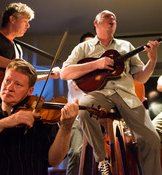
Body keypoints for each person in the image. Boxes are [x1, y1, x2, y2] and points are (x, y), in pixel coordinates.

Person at [60, 10, 161, 175]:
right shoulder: (83, 48)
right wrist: (97, 64)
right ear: (96, 23)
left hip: (126, 96)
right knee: (84, 111)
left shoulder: (126, 46)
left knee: (152, 139)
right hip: (99, 94)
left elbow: (141, 78)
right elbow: (65, 73)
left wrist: (152, 60)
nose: (111, 18)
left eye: (114, 18)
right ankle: (102, 159)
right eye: (106, 16)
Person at [0, 59, 79, 175]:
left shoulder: (42, 118)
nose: (9, 87)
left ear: (30, 91)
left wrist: (66, 127)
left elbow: (54, 161)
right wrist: (5, 122)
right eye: (7, 80)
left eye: (18, 84)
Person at [0, 2, 60, 106]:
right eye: (25, 21)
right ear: (12, 19)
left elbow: (22, 78)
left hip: (1, 103)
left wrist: (48, 75)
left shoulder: (18, 49)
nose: (28, 26)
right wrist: (14, 65)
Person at [66, 32, 94, 175]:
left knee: (92, 158)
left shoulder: (99, 69)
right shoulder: (73, 66)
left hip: (94, 118)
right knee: (77, 153)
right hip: (77, 118)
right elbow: (78, 85)